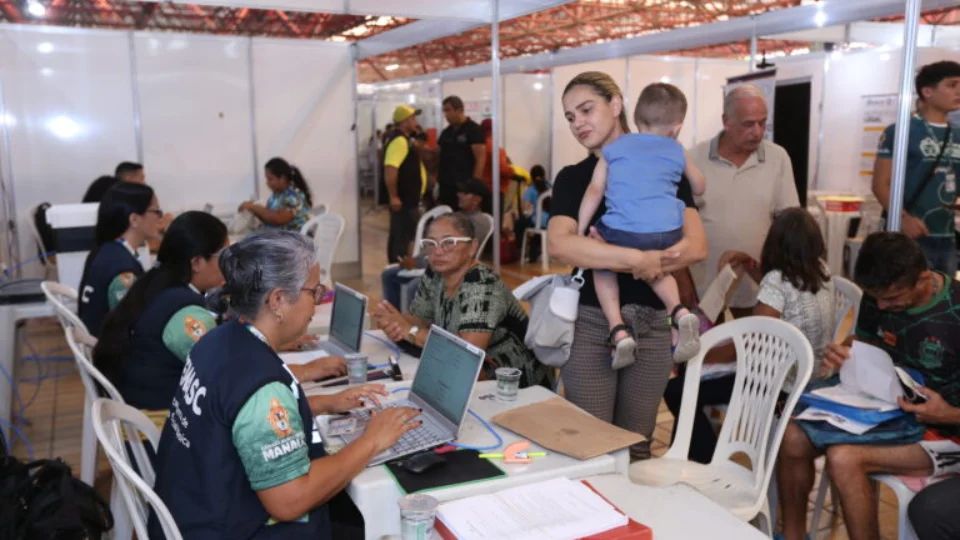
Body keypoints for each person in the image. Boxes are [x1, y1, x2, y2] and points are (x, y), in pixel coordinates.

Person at [149, 231, 421, 539]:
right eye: (314, 293)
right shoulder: (263, 388)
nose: (317, 305)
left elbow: (231, 417)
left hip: (192, 512)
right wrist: (372, 440)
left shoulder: (218, 339)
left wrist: (324, 404)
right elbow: (289, 502)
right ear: (278, 299)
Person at [547, 71, 707, 460]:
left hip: (654, 325)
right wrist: (640, 260)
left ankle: (634, 521)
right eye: (569, 117)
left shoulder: (664, 166)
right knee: (591, 446)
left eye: (586, 110)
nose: (578, 123)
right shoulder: (574, 177)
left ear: (617, 105)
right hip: (591, 322)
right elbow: (560, 244)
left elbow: (698, 246)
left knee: (636, 444)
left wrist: (604, 253)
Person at [777, 232, 960, 540]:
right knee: (792, 435)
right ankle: (793, 535)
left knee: (844, 458)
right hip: (886, 408)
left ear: (923, 279)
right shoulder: (880, 297)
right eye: (876, 298)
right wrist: (847, 351)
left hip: (943, 432)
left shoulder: (954, 312)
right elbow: (865, 341)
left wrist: (949, 414)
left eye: (892, 298)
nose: (883, 306)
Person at [92, 212, 346, 421]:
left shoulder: (158, 283)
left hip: (146, 406)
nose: (231, 264)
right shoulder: (186, 314)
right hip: (159, 420)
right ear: (197, 262)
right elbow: (235, 376)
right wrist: (308, 372)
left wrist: (273, 338)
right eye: (224, 256)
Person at [663, 208, 836, 465]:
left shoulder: (776, 282)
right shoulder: (822, 271)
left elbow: (753, 345)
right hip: (812, 374)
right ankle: (686, 458)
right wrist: (751, 266)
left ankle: (706, 459)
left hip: (776, 384)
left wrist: (704, 351)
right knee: (691, 383)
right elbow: (781, 296)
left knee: (678, 388)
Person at [578, 83, 706, 367]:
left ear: (634, 118)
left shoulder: (614, 148)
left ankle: (617, 329)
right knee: (657, 270)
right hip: (667, 232)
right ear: (677, 127)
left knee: (601, 263)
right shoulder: (677, 148)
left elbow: (595, 191)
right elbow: (699, 186)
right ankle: (680, 311)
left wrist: (582, 230)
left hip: (624, 232)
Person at [372, 213, 552, 389]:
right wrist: (396, 321)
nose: (438, 251)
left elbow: (466, 353)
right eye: (431, 243)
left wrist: (410, 331)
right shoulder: (435, 273)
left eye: (449, 242)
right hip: (468, 374)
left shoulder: (482, 284)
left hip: (514, 382)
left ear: (473, 247)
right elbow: (420, 318)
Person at [689, 84, 799, 318]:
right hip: (704, 292)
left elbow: (789, 223)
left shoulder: (778, 158)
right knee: (709, 353)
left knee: (753, 353)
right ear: (726, 122)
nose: (758, 132)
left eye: (762, 122)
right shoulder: (693, 159)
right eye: (749, 124)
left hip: (759, 292)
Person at [872, 60, 960, 275]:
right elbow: (880, 183)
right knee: (906, 300)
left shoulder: (958, 133)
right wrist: (902, 219)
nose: (959, 91)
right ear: (927, 92)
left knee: (942, 303)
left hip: (947, 236)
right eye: (952, 85)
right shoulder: (901, 130)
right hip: (908, 236)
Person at [379, 178, 492, 309]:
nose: (459, 195)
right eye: (460, 192)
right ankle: (395, 318)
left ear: (477, 199)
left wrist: (419, 263)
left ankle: (411, 325)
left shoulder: (478, 222)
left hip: (452, 271)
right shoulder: (458, 218)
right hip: (434, 263)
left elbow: (454, 255)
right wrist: (416, 260)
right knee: (389, 274)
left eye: (465, 193)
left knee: (413, 287)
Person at [78, 183, 162, 337]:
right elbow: (133, 328)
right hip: (111, 354)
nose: (160, 217)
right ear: (135, 219)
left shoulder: (105, 249)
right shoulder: (124, 272)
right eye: (156, 211)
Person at [384, 105, 428, 263]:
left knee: (404, 234)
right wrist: (393, 196)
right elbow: (391, 168)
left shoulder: (405, 140)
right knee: (402, 237)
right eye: (413, 119)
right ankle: (397, 269)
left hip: (409, 198)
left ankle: (399, 266)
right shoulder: (399, 142)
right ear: (404, 121)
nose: (416, 122)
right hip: (403, 200)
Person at [436, 96, 486, 209]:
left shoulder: (474, 130)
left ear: (459, 110)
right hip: (446, 185)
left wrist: (473, 187)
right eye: (444, 111)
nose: (446, 115)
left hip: (464, 187)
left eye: (448, 110)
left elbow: (480, 158)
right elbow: (437, 154)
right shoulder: (446, 132)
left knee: (463, 221)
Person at [240, 157, 313, 232]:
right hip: (279, 236)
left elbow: (278, 219)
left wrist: (253, 207)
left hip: (292, 239)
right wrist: (253, 210)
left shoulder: (293, 196)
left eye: (270, 179)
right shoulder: (276, 195)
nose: (267, 183)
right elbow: (268, 218)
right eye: (266, 179)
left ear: (282, 178)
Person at [517, 165, 551, 263]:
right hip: (552, 221)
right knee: (535, 228)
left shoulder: (531, 190)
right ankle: (536, 254)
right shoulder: (551, 185)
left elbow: (525, 210)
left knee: (520, 223)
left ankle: (520, 250)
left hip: (540, 222)